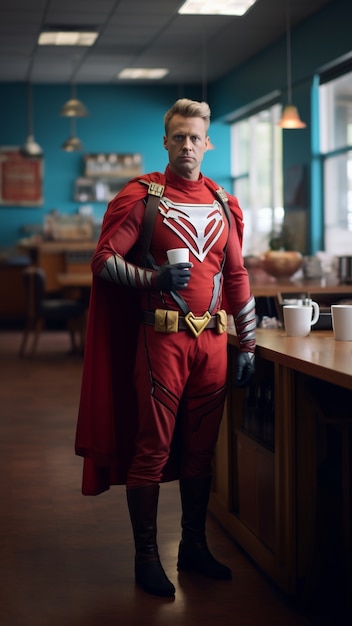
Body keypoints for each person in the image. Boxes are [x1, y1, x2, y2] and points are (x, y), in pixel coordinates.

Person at [75, 98, 256, 598]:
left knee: (202, 451)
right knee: (150, 450)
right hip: (162, 340)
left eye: (196, 137)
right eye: (178, 136)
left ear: (208, 142)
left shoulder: (223, 202)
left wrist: (250, 345)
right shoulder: (145, 197)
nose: (187, 145)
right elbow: (104, 260)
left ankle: (193, 548)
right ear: (165, 140)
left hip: (215, 344)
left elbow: (237, 275)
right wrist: (152, 276)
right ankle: (146, 558)